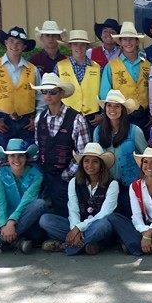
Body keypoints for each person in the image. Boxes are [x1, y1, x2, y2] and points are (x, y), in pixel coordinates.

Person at [39, 142, 118, 256]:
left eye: (95, 161)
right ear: (82, 163)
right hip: (77, 225)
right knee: (45, 220)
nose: (90, 165)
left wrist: (79, 228)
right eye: (86, 161)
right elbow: (73, 209)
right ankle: (87, 244)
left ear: (101, 164)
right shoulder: (74, 182)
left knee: (104, 225)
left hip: (97, 226)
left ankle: (66, 246)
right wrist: (74, 228)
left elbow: (105, 213)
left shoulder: (112, 184)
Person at [0, 139, 47, 256]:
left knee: (39, 204)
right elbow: (0, 201)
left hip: (26, 222)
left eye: (20, 156)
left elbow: (27, 200)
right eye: (12, 156)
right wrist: (3, 224)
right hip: (5, 222)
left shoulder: (36, 175)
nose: (16, 160)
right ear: (7, 158)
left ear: (26, 158)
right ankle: (15, 241)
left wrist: (11, 223)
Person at [32, 73, 90, 217]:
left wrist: (66, 174)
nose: (48, 95)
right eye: (44, 92)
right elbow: (38, 146)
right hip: (45, 173)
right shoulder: (39, 118)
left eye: (52, 92)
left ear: (61, 93)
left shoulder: (77, 119)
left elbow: (83, 154)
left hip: (67, 177)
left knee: (66, 211)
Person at [0, 26, 42, 145]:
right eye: (11, 41)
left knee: (29, 155)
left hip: (27, 123)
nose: (15, 45)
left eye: (19, 43)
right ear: (6, 42)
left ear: (24, 47)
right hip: (3, 122)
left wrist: (36, 120)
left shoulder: (33, 70)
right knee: (4, 157)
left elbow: (41, 97)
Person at [109, 148, 152, 255]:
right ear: (141, 165)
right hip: (143, 226)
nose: (148, 166)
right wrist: (145, 234)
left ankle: (136, 245)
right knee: (114, 217)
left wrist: (148, 235)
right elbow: (136, 215)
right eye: (145, 162)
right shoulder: (134, 186)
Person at [99, 21, 152, 139]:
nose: (128, 42)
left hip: (144, 116)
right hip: (121, 116)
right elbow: (105, 94)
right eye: (125, 39)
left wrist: (151, 114)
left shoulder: (148, 65)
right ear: (120, 43)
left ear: (137, 42)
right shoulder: (111, 66)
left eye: (131, 39)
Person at [92, 89, 147, 188]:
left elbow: (146, 158)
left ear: (123, 109)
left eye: (117, 106)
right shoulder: (97, 131)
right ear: (105, 108)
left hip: (132, 186)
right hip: (107, 185)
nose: (112, 109)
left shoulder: (135, 131)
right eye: (109, 105)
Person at [56, 29, 103, 132]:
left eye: (82, 44)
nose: (79, 48)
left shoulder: (97, 68)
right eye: (75, 44)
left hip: (92, 118)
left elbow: (104, 93)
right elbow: (54, 92)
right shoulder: (59, 66)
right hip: (66, 116)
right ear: (70, 46)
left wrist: (102, 115)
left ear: (87, 47)